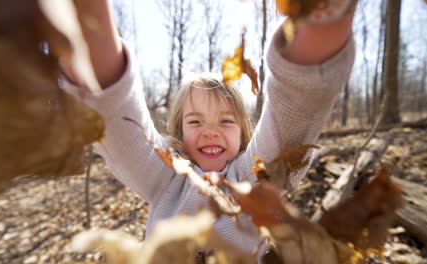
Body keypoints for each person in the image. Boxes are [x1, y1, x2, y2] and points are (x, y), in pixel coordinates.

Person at [61, 0, 356, 257]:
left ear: (243, 132)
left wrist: (322, 26)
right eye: (195, 121)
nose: (211, 131)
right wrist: (83, 21)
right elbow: (117, 122)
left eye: (226, 121)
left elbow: (294, 113)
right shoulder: (163, 179)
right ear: (179, 129)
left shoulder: (251, 179)